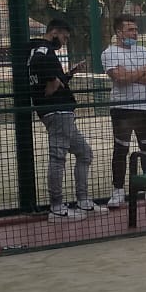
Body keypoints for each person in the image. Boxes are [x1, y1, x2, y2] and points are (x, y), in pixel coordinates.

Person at [30, 14, 95, 221]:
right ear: (54, 32)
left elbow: (54, 79)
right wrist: (53, 82)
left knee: (84, 153)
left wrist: (68, 74)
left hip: (61, 111)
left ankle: (83, 200)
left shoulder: (38, 50)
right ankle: (57, 207)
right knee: (58, 157)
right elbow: (46, 78)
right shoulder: (43, 51)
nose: (64, 42)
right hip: (57, 111)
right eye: (64, 37)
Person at [101, 13, 146, 207]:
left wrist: (131, 75)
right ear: (119, 32)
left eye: (136, 29)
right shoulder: (109, 53)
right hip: (122, 109)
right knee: (121, 149)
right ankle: (118, 192)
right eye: (130, 30)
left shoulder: (144, 51)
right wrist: (142, 71)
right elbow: (120, 78)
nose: (135, 33)